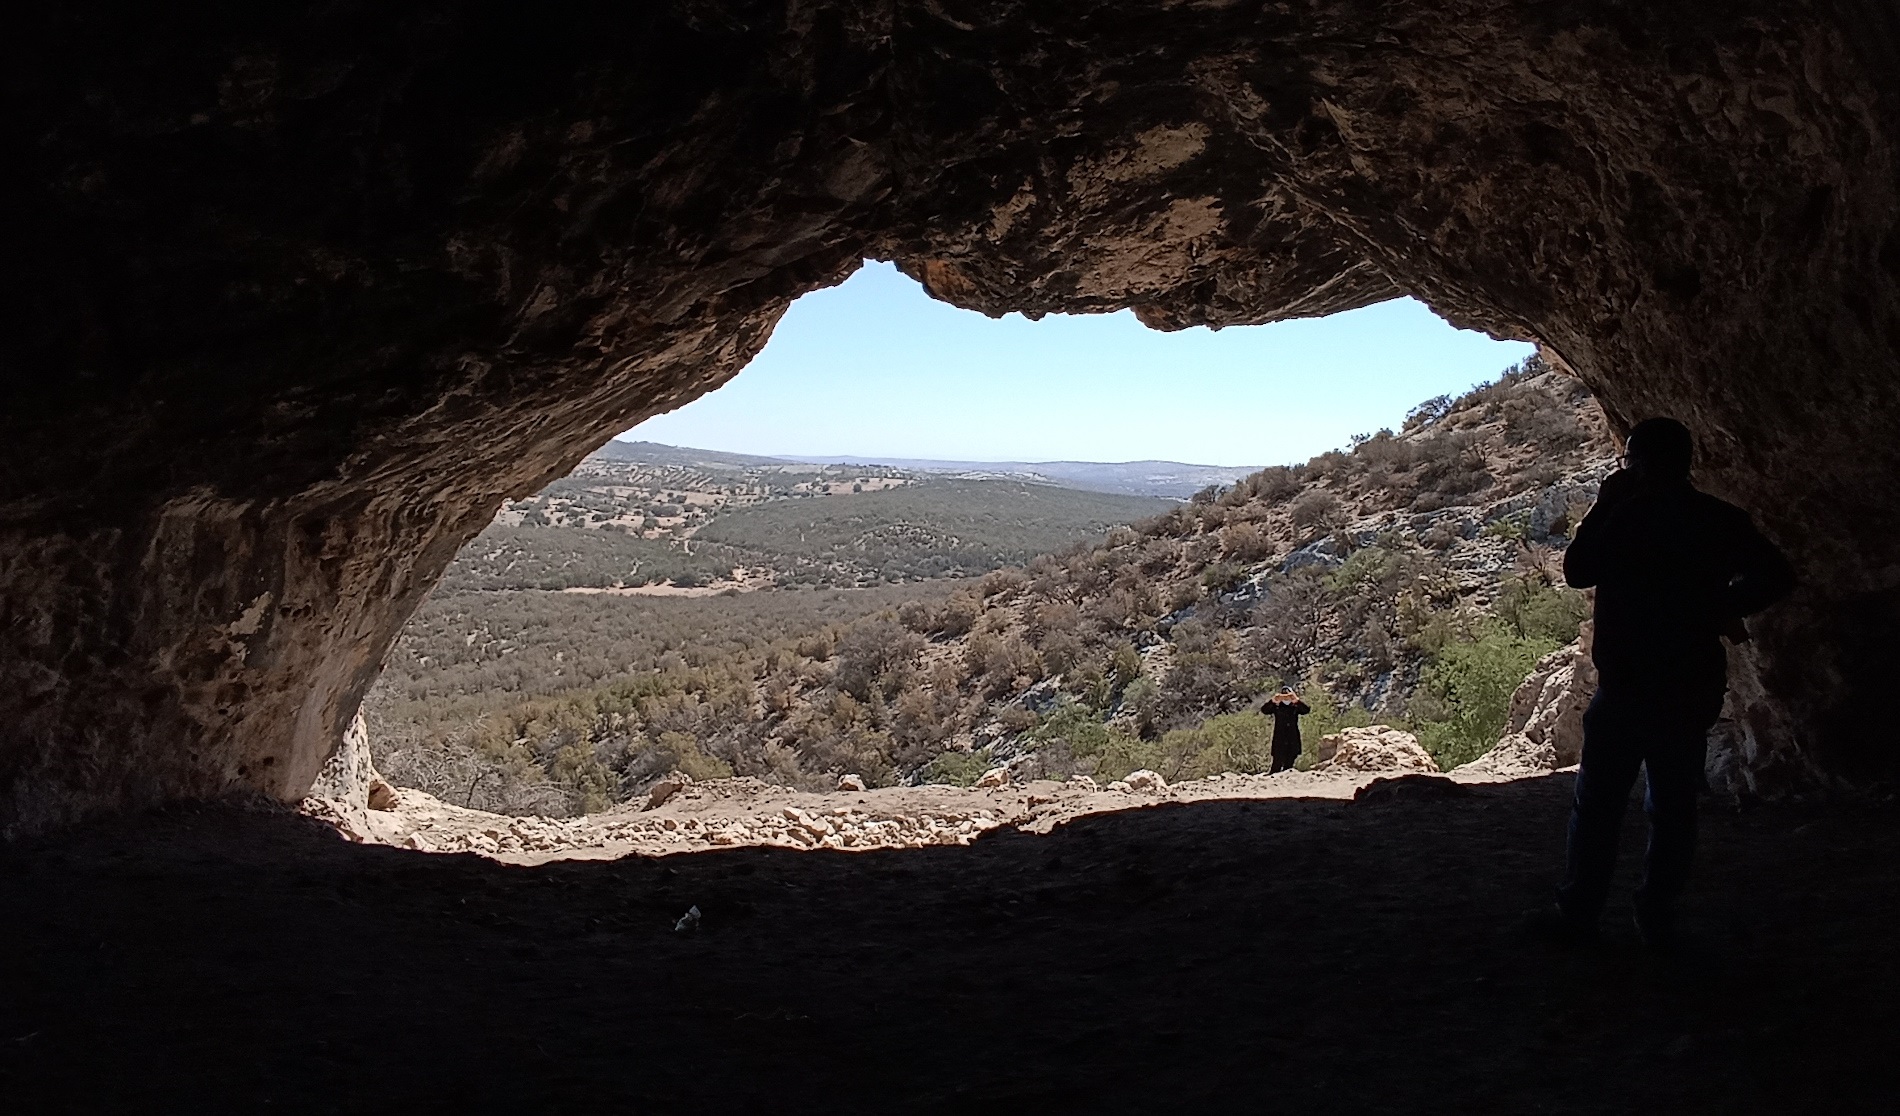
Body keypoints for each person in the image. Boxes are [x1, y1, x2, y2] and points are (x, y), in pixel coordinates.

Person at [1534, 417, 1793, 950]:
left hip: (1626, 683)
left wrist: (1607, 503)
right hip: (1689, 682)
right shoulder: (1716, 518)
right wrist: (1722, 605)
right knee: (1673, 804)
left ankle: (1579, 912)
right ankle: (1656, 913)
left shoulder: (1627, 518)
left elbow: (1578, 569)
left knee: (1599, 803)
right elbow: (1776, 574)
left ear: (1639, 464)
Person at [1262, 688, 1312, 774]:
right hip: (1279, 736)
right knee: (1277, 761)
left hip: (1292, 736)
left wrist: (1297, 700)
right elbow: (1264, 710)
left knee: (1290, 760)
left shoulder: (1295, 706)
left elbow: (1306, 710)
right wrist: (1273, 701)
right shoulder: (1277, 706)